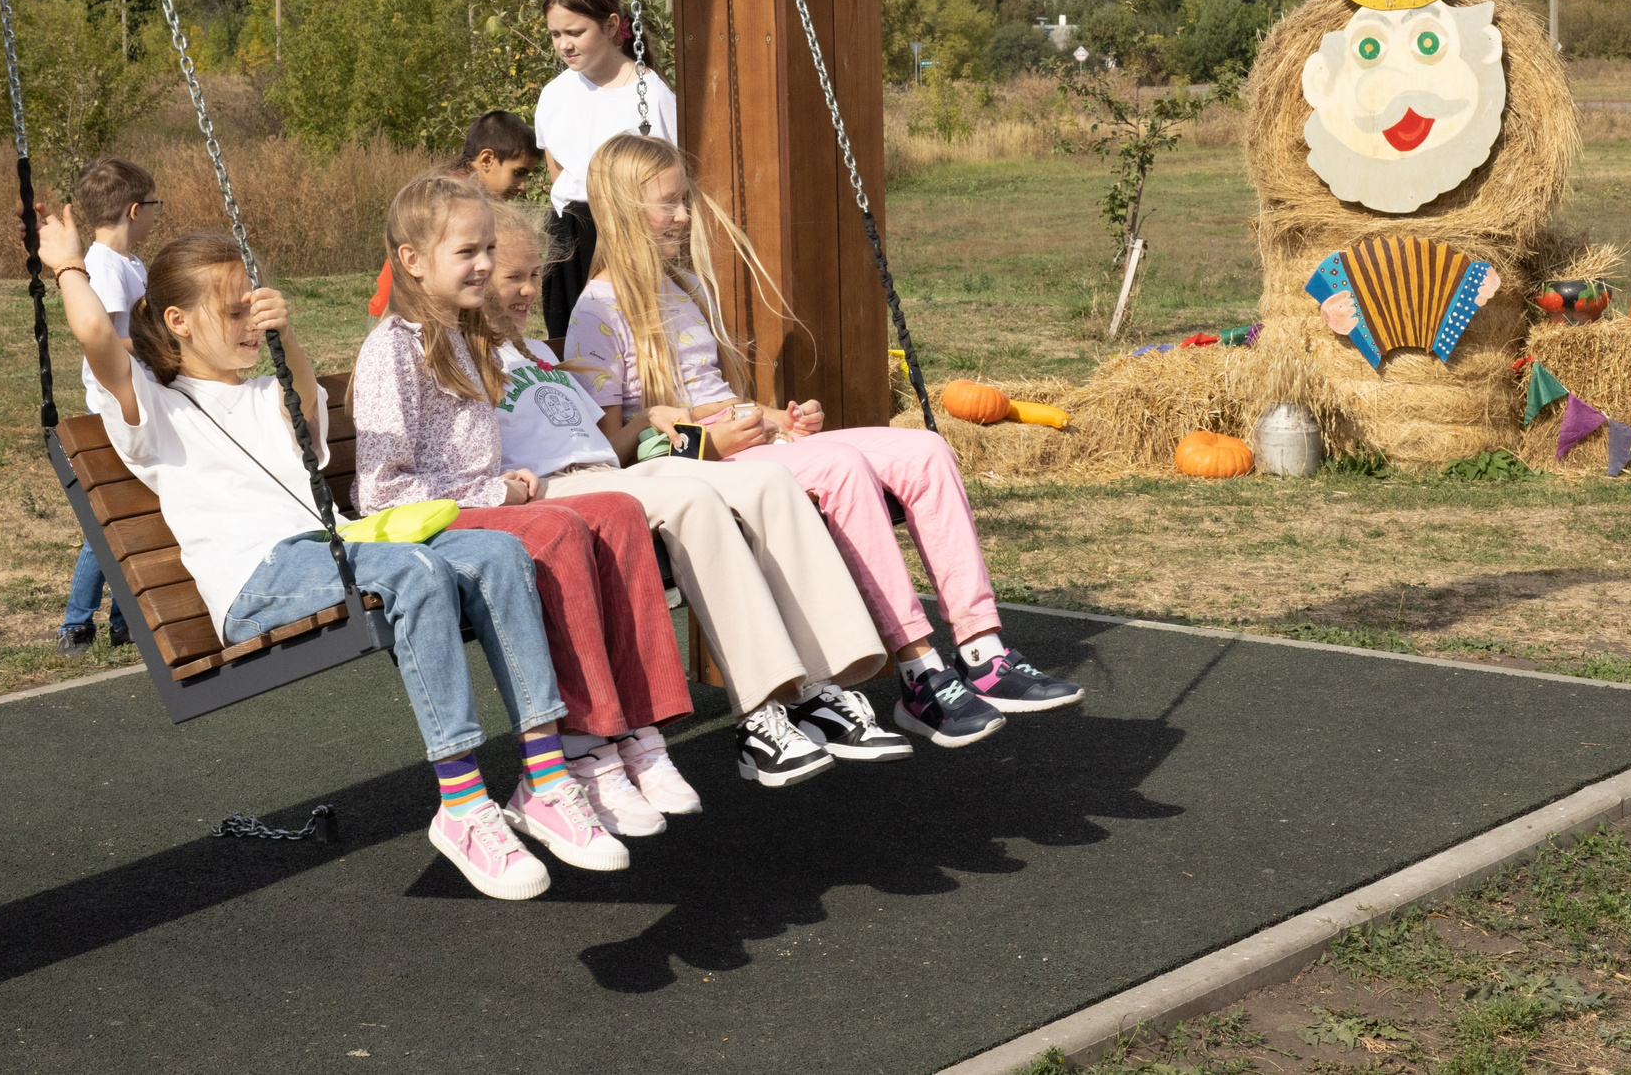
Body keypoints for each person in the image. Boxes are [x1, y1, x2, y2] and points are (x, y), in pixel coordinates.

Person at [37, 210, 616, 901]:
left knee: (496, 552)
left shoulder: (264, 386)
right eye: (234, 311)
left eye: (254, 306)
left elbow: (302, 413)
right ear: (179, 321)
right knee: (417, 570)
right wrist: (69, 263)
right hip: (260, 578)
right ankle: (463, 806)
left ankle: (545, 776)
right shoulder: (154, 410)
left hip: (334, 549)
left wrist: (289, 336)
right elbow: (98, 335)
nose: (251, 323)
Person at [564, 134, 1085, 750]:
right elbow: (606, 448)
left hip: (747, 442)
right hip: (706, 465)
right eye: (667, 204)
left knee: (923, 449)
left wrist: (778, 417)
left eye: (685, 201)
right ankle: (920, 671)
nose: (683, 216)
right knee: (839, 466)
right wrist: (691, 430)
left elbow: (724, 400)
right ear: (624, 211)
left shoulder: (686, 290)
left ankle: (982, 647)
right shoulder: (598, 311)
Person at [485, 200, 904, 787]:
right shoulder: (466, 357)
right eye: (514, 277)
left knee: (769, 480)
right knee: (696, 502)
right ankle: (760, 716)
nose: (530, 290)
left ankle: (821, 683)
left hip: (611, 472)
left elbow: (614, 444)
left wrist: (656, 416)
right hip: (555, 492)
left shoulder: (542, 355)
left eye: (536, 276)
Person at [352, 173, 702, 831]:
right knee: (560, 530)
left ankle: (643, 733)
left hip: (482, 503)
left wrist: (507, 476)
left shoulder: (461, 338)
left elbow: (472, 450)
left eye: (489, 250)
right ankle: (587, 747)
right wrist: (495, 490)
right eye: (468, 253)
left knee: (619, 511)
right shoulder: (392, 352)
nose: (485, 264)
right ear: (413, 262)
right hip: (439, 526)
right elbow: (381, 487)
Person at [534, 0, 677, 349]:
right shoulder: (554, 94)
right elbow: (557, 171)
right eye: (555, 34)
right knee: (573, 346)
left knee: (630, 344)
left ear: (612, 26)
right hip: (569, 238)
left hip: (627, 234)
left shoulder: (649, 93)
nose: (564, 44)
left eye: (575, 32)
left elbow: (669, 177)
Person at [57, 157, 161, 654]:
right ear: (136, 210)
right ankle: (76, 622)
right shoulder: (105, 267)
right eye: (155, 205)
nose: (158, 214)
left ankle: (123, 620)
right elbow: (111, 342)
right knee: (109, 517)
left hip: (137, 397)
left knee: (129, 509)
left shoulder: (130, 264)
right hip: (116, 404)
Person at [368, 111, 544, 319]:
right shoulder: (448, 202)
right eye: (518, 172)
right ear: (487, 159)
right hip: (403, 313)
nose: (523, 186)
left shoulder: (466, 200)